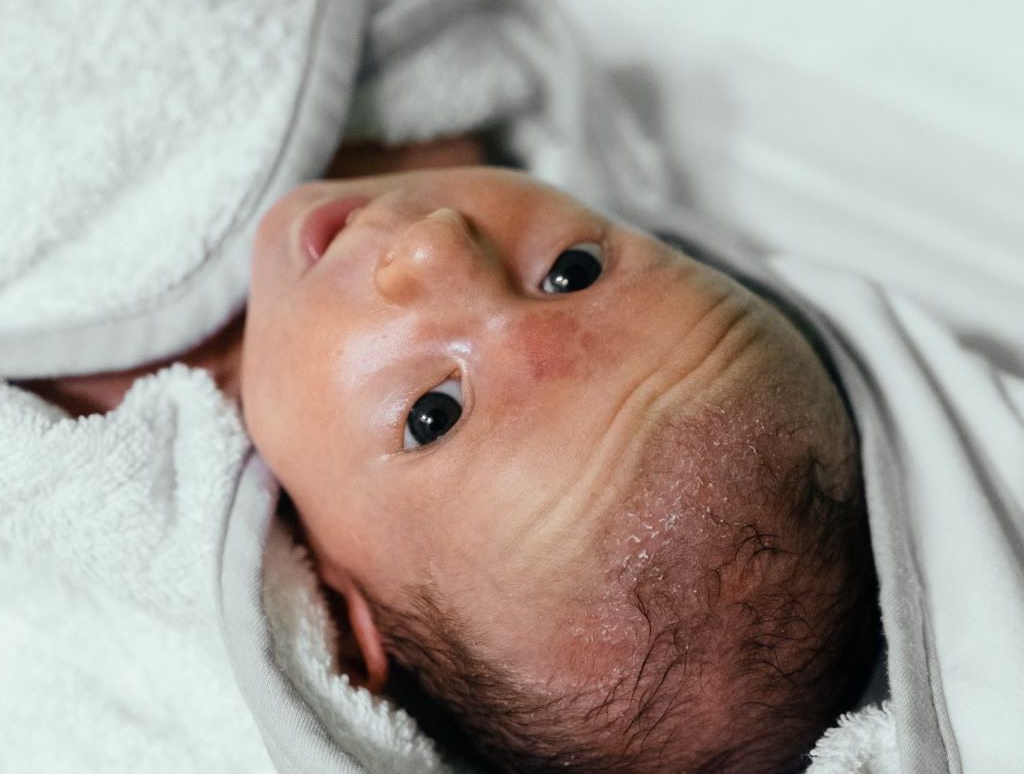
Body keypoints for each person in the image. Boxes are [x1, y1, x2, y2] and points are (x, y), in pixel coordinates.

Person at [18, 144, 880, 773]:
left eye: (435, 413)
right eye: (572, 271)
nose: (435, 243)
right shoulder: (424, 123)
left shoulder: (84, 434)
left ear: (332, 608)